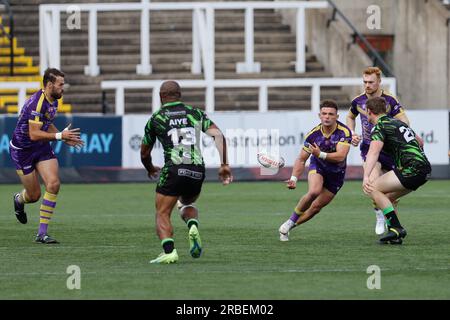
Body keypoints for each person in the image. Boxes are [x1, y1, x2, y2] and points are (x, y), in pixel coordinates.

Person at [141, 80, 233, 264]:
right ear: (180, 95)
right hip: (197, 170)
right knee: (184, 204)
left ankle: (169, 251)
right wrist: (224, 164)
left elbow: (144, 153)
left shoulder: (157, 118)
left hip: (174, 169)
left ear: (161, 97)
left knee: (162, 212)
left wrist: (150, 168)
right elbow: (218, 135)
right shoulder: (194, 113)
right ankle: (192, 224)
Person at [10, 68, 84, 244]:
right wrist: (60, 136)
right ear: (50, 85)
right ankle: (19, 199)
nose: (62, 88)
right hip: (23, 151)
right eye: (60, 84)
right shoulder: (36, 103)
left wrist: (62, 137)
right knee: (33, 195)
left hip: (41, 147)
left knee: (53, 184)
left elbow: (46, 124)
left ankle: (42, 234)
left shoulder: (54, 100)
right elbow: (34, 134)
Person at [346, 66, 422, 236]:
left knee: (388, 194)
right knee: (373, 183)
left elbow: (404, 119)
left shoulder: (390, 101)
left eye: (371, 82)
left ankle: (393, 227)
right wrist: (352, 133)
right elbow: (350, 116)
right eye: (365, 82)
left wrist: (406, 132)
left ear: (379, 82)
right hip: (370, 147)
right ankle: (379, 216)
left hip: (390, 150)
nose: (367, 85)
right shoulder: (358, 101)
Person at [278, 100, 352, 241]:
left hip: (336, 174)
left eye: (331, 114)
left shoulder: (344, 132)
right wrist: (294, 178)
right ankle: (289, 222)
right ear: (319, 115)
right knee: (314, 191)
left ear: (337, 116)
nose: (327, 117)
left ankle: (290, 226)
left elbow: (341, 156)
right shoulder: (313, 135)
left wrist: (320, 154)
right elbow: (301, 159)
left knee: (316, 208)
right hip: (318, 167)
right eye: (324, 114)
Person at [363, 97, 431, 244]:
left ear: (369, 112)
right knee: (388, 198)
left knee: (372, 187)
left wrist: (366, 177)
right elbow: (420, 141)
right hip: (424, 170)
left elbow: (373, 153)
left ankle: (396, 228)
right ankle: (394, 235)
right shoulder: (398, 122)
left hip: (412, 168)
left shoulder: (380, 126)